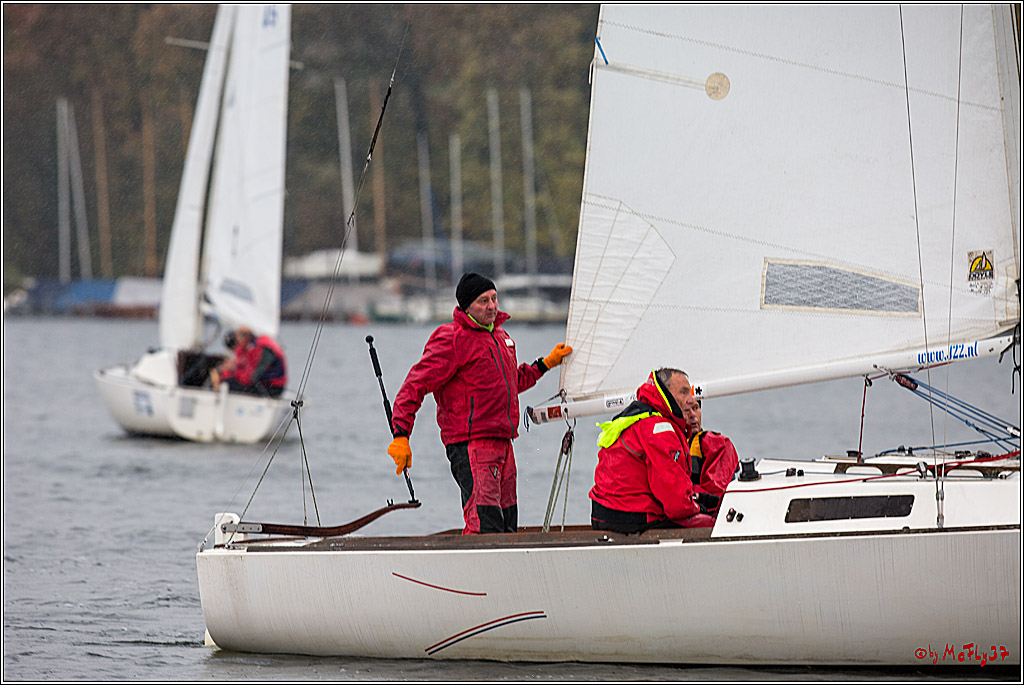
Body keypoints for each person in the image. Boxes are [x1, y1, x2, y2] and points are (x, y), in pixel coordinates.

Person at [386, 272, 572, 535]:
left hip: (503, 443)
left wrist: (546, 364)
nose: (492, 306)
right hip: (471, 445)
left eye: (494, 299)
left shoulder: (501, 337)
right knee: (485, 525)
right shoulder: (452, 338)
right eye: (483, 301)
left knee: (508, 524)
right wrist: (401, 435)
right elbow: (414, 385)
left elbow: (510, 382)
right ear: (466, 306)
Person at [589, 368, 716, 533]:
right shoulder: (660, 430)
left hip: (604, 514)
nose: (690, 399)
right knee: (713, 525)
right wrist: (699, 509)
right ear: (666, 394)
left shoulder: (637, 417)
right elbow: (676, 505)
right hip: (632, 517)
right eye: (684, 393)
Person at [681, 396, 739, 517]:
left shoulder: (717, 444)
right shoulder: (667, 443)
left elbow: (717, 494)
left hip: (707, 513)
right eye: (686, 410)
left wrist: (694, 496)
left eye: (695, 408)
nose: (693, 415)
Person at [210, 326, 288, 398]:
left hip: (271, 388)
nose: (237, 345)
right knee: (224, 381)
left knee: (227, 384)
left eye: (237, 340)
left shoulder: (260, 348)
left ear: (243, 337)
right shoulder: (251, 346)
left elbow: (251, 377)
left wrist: (233, 370)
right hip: (262, 383)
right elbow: (242, 366)